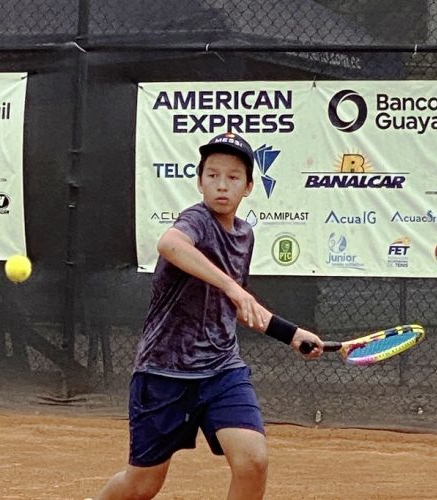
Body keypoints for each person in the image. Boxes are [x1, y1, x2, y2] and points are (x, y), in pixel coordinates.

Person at [94, 132, 325, 500]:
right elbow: (169, 244)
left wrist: (292, 334)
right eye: (212, 175)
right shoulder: (196, 221)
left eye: (233, 177)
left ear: (248, 187)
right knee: (142, 485)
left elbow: (239, 306)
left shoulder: (245, 236)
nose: (221, 184)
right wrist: (232, 287)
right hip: (164, 373)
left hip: (222, 370)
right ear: (199, 181)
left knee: (253, 461)